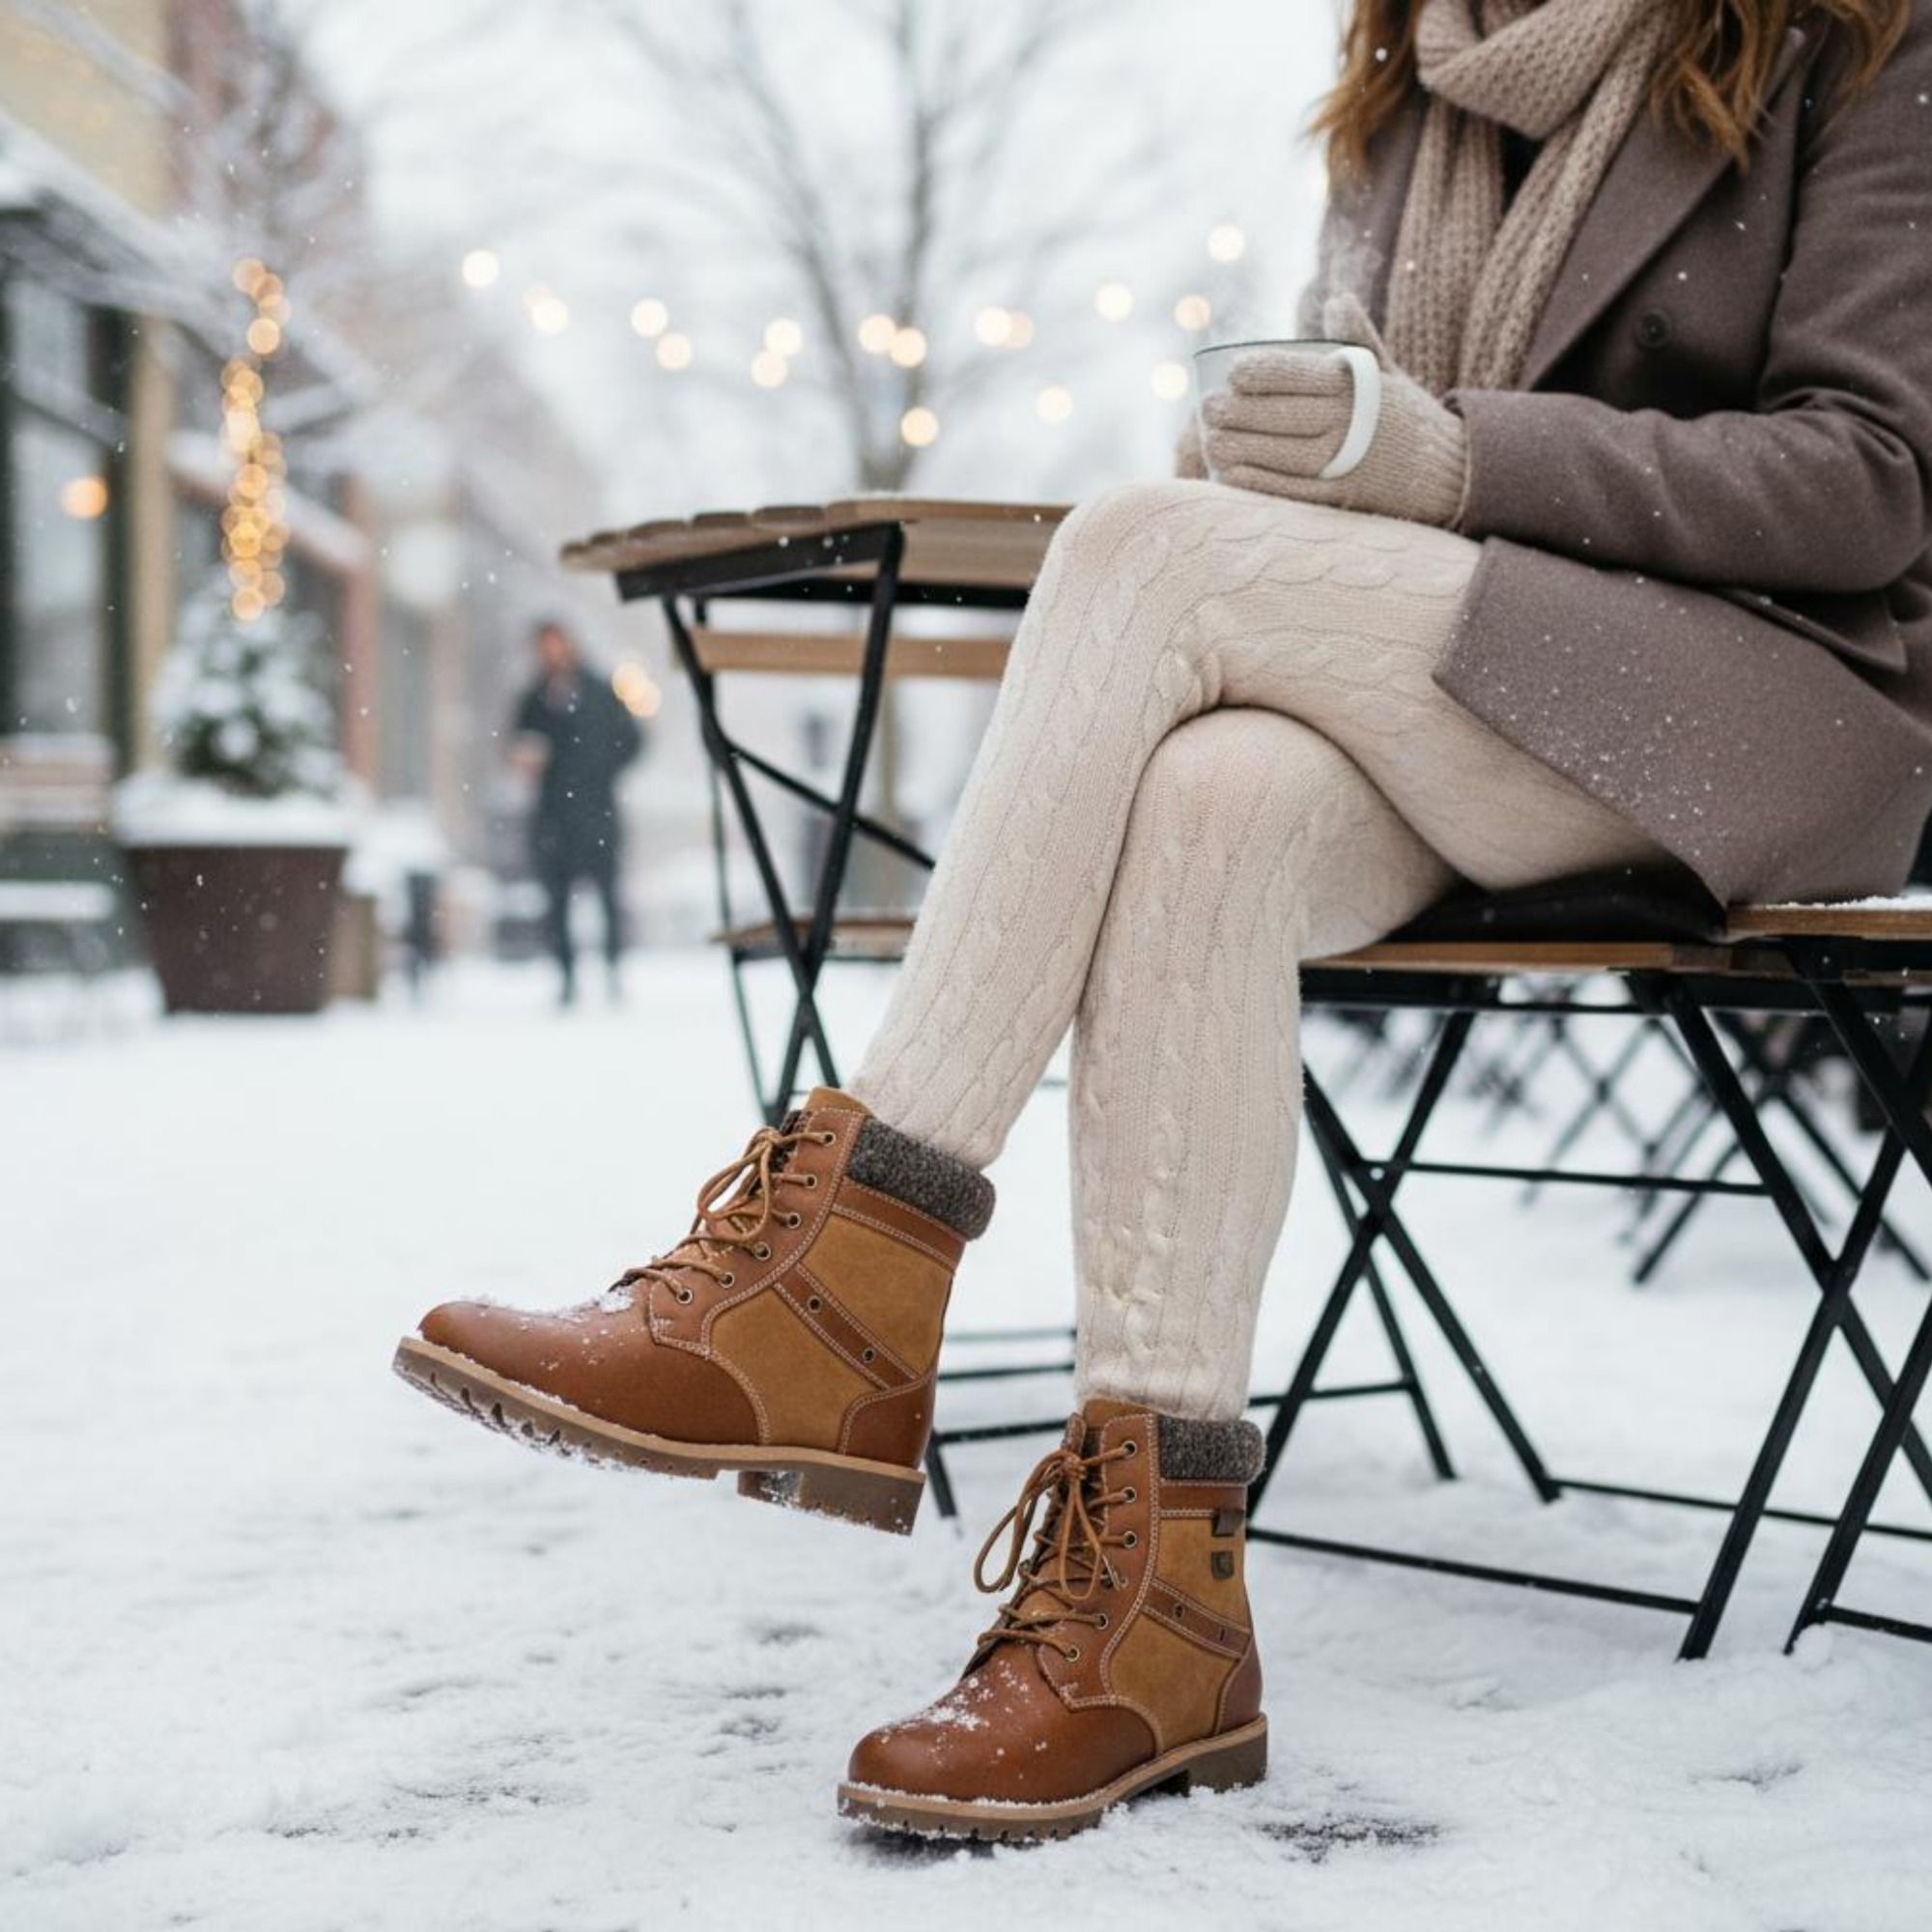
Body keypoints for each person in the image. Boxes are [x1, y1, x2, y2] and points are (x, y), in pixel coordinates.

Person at [397, 0, 1932, 1841]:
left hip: (1754, 705)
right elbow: (1367, 463)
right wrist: (1302, 457)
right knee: (1208, 800)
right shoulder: (1402, 96)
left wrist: (1446, 459)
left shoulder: (1847, 41)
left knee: (1134, 548)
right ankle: (1155, 1614)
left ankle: (843, 1268)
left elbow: (1872, 479)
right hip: (1470, 700)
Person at [510, 619, 642, 1005]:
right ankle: (566, 977)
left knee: (608, 897)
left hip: (597, 810)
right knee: (556, 899)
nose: (552, 653)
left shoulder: (601, 692)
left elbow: (633, 739)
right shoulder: (533, 698)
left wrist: (601, 768)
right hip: (553, 815)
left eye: (557, 644)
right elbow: (519, 744)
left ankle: (614, 970)